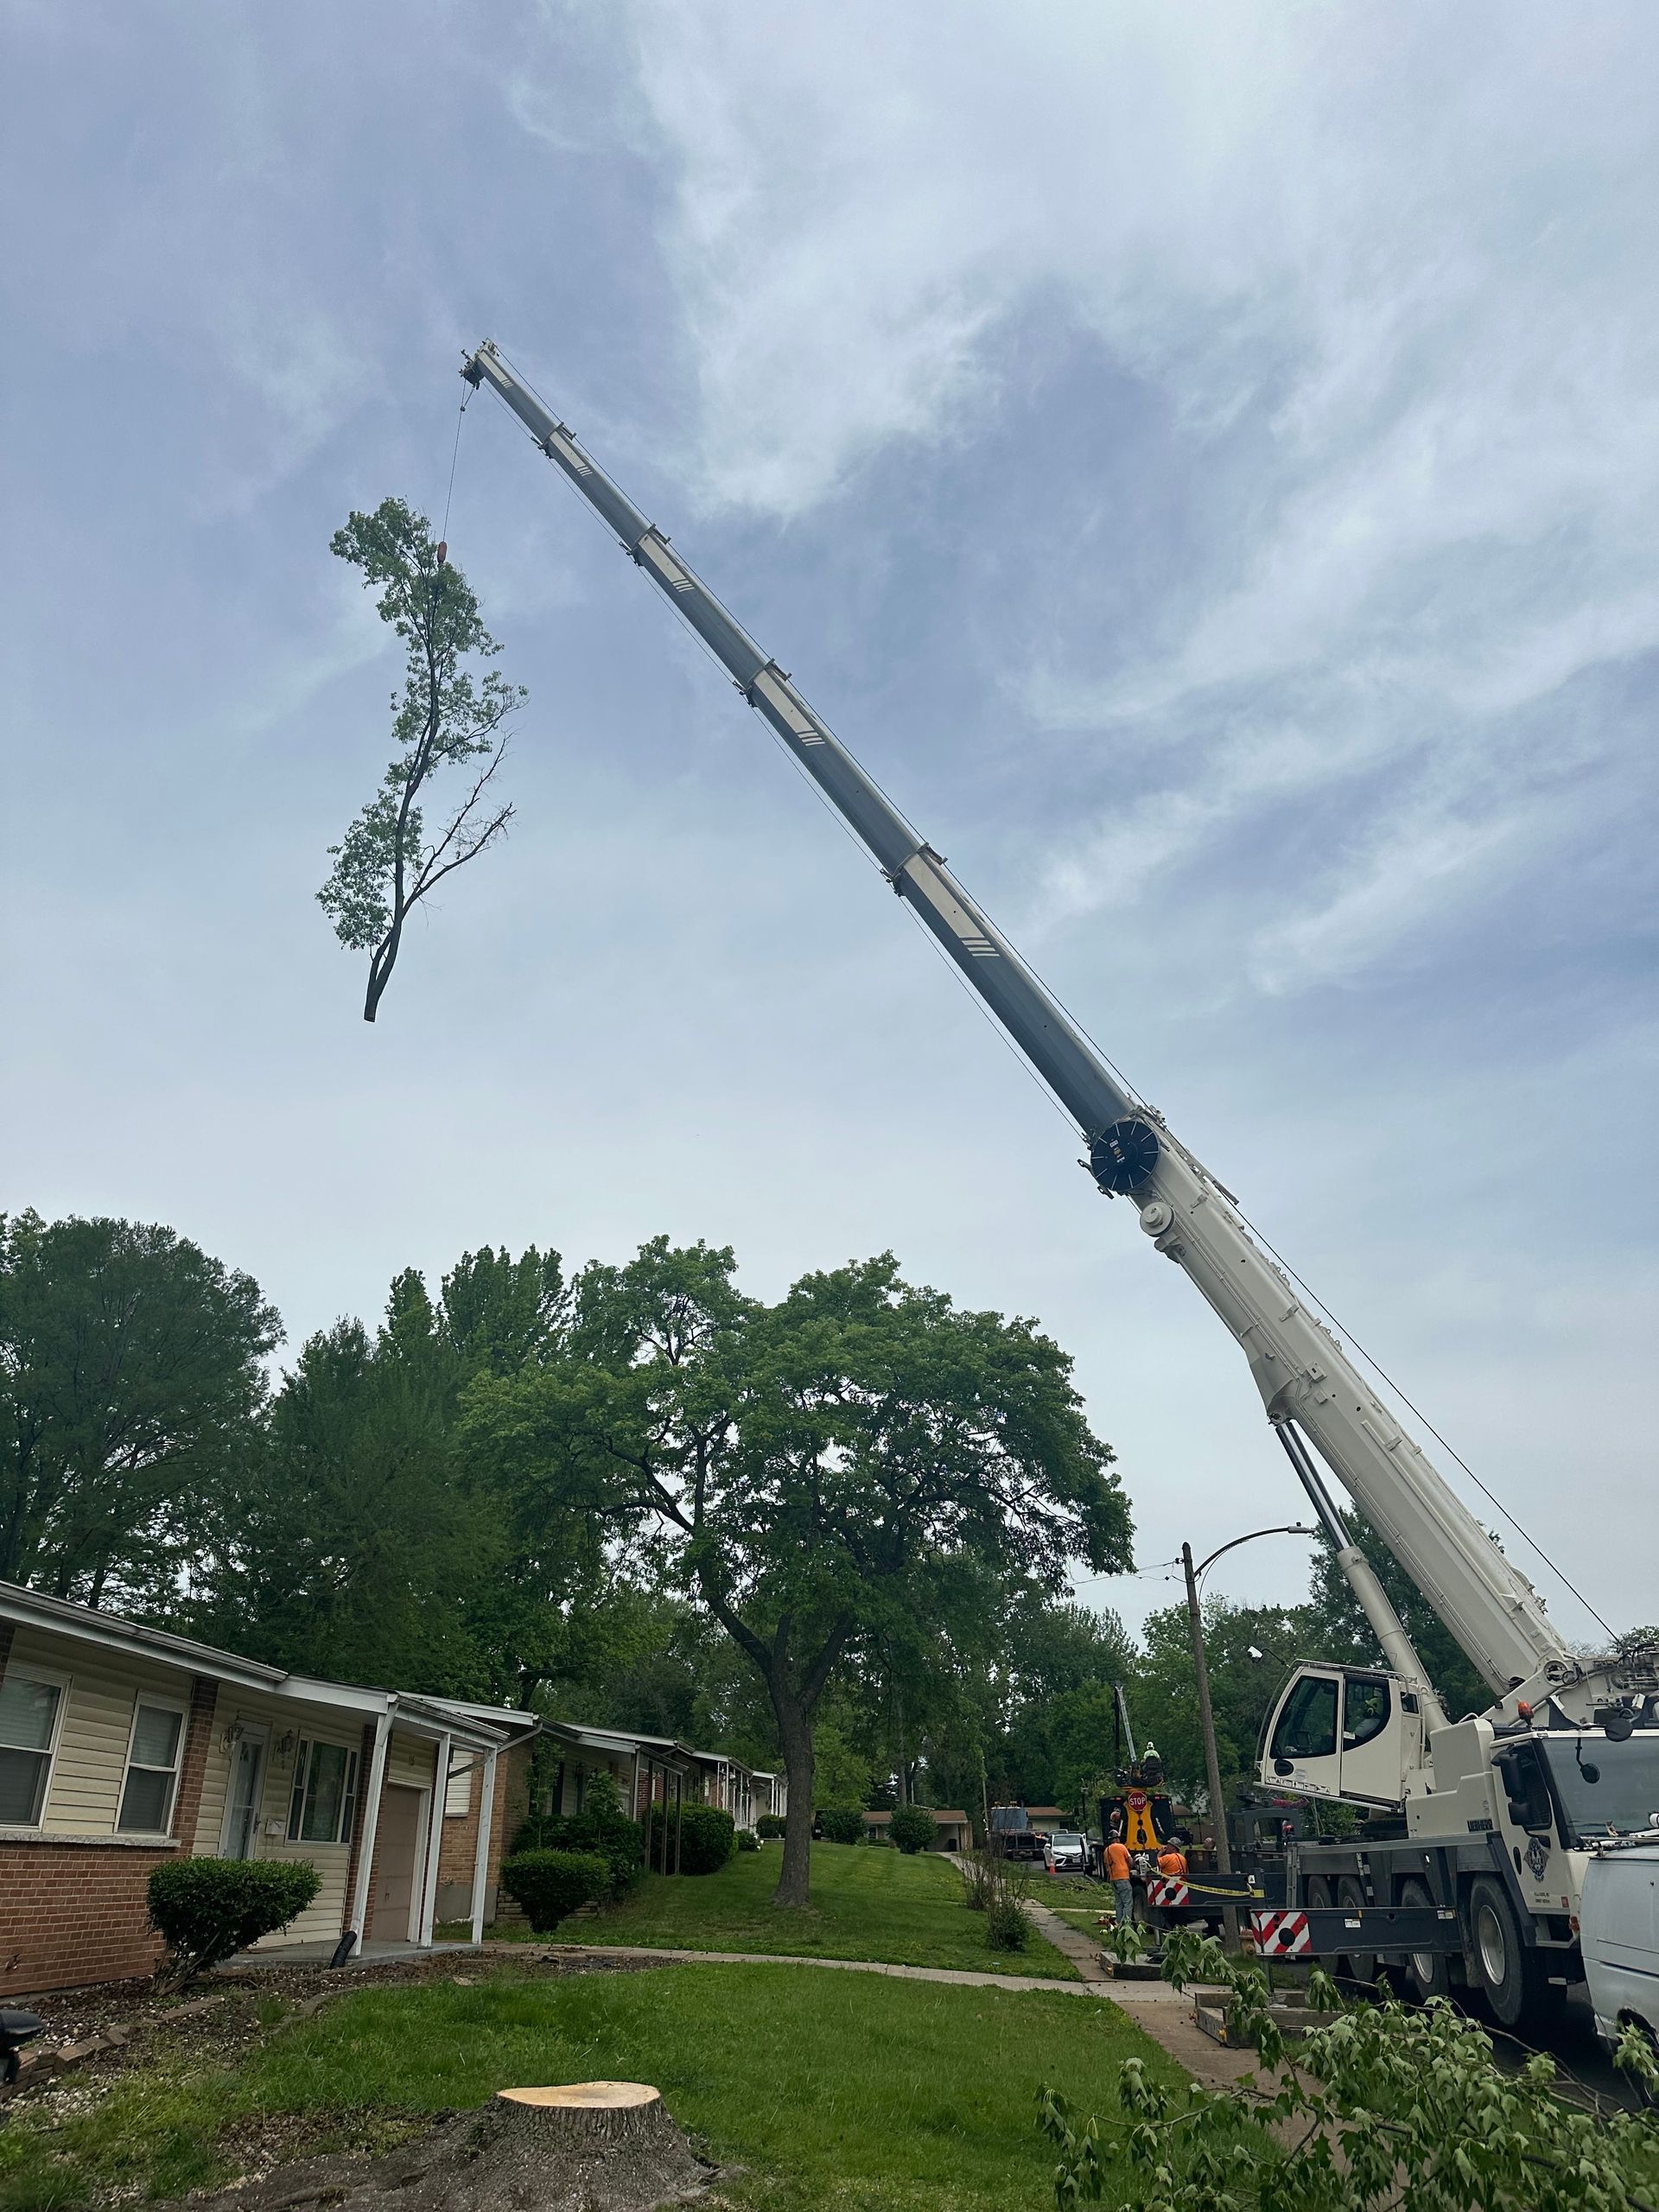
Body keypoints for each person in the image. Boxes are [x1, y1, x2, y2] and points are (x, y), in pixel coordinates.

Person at [1104, 1835, 1134, 1925]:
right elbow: (1130, 1861)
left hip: (1113, 1879)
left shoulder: (1106, 1851)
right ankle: (1127, 1925)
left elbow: (1107, 1865)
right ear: (1117, 1839)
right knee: (1128, 1903)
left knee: (1119, 1903)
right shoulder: (1121, 1847)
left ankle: (1119, 1924)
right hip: (1123, 1877)